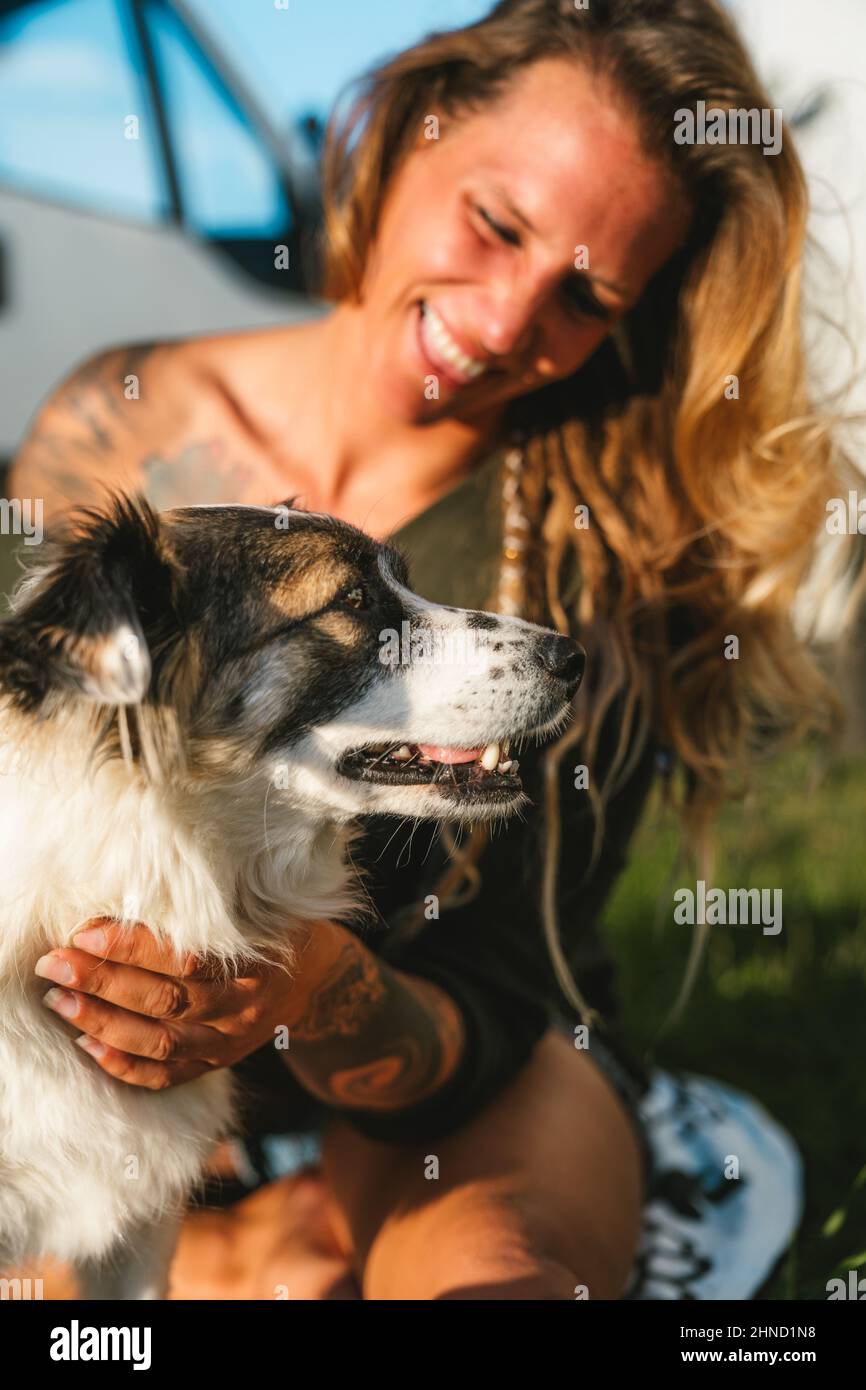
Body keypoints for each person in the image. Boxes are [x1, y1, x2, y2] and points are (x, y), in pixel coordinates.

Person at [8, 0, 845, 1300]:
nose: (506, 320)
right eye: (495, 225)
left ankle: (285, 1240)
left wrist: (299, 985)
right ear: (409, 131)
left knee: (503, 1278)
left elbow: (503, 986)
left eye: (584, 295)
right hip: (81, 1050)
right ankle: (254, 1243)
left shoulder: (601, 550)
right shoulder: (123, 419)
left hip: (448, 1061)